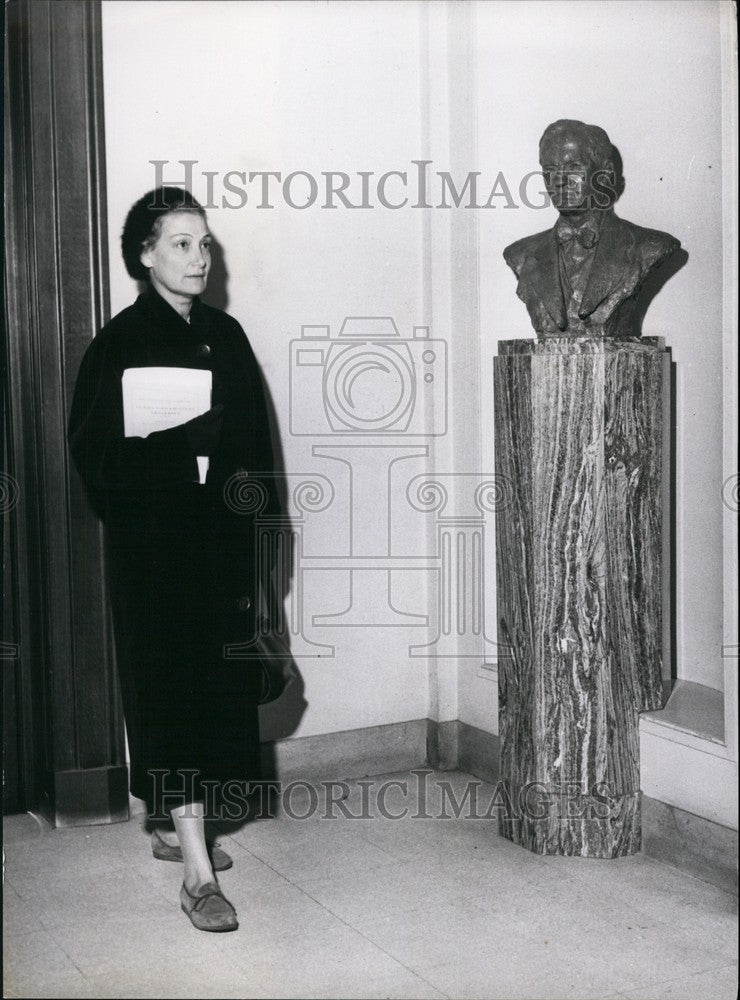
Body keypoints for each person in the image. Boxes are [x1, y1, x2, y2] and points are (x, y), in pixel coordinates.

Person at [68, 187, 277, 932]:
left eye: (205, 243)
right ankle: (195, 874)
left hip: (220, 556)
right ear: (145, 254)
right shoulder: (118, 344)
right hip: (156, 559)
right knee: (171, 701)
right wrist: (177, 446)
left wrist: (264, 560)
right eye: (181, 244)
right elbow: (94, 459)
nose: (199, 258)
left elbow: (258, 456)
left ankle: (173, 826)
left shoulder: (228, 335)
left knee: (215, 704)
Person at [504, 119, 681, 338]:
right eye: (550, 170)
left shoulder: (649, 247)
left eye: (574, 167)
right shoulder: (520, 254)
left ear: (604, 174)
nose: (559, 180)